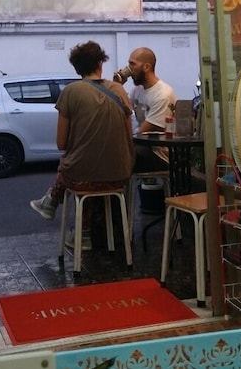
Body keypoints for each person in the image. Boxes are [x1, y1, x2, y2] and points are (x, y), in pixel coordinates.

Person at [30, 40, 134, 251]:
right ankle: (80, 231)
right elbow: (127, 133)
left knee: (74, 164)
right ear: (100, 63)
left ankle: (52, 202)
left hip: (82, 177)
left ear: (77, 68)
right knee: (90, 163)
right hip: (120, 175)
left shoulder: (71, 91)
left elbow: (61, 143)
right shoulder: (119, 90)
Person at [115, 47, 177, 172]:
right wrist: (117, 86)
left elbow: (142, 132)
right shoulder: (137, 91)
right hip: (141, 148)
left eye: (132, 64)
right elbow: (119, 112)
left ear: (146, 67)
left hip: (158, 155)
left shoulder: (162, 95)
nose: (129, 69)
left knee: (118, 155)